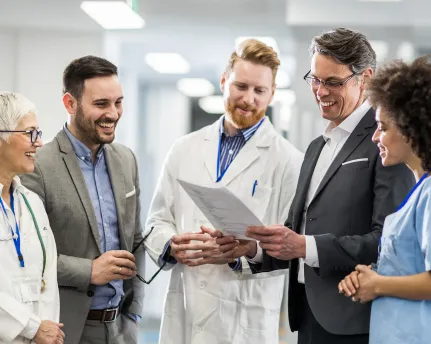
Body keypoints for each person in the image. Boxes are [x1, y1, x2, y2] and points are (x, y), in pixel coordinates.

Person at [245, 28, 415, 344]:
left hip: (357, 321)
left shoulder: (386, 144)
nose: (321, 91)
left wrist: (307, 246)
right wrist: (254, 249)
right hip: (308, 316)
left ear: (365, 79)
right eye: (315, 79)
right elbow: (297, 234)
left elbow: (389, 242)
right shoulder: (315, 148)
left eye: (333, 82)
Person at [143, 39, 303, 344]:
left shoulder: (289, 161)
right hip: (186, 305)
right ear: (223, 81)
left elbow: (290, 249)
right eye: (241, 86)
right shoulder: (184, 149)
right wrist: (171, 246)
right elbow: (156, 221)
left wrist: (247, 249)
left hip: (244, 316)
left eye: (260, 91)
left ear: (272, 93)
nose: (248, 99)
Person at [338, 56, 431, 344]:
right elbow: (415, 266)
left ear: (413, 129)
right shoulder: (424, 188)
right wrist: (370, 275)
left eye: (384, 127)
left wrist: (378, 285)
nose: (376, 136)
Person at [21, 56, 145, 344]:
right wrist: (90, 271)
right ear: (70, 104)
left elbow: (136, 240)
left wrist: (134, 314)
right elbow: (27, 257)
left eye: (118, 103)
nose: (113, 114)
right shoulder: (38, 166)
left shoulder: (126, 160)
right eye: (101, 104)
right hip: (66, 330)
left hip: (120, 330)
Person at [0, 92, 64, 344]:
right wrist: (30, 327)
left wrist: (45, 331)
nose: (38, 143)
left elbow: (48, 285)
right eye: (30, 133)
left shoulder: (31, 204)